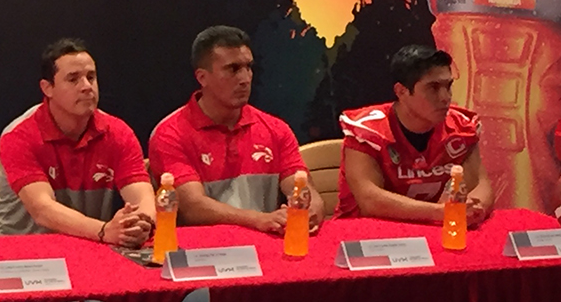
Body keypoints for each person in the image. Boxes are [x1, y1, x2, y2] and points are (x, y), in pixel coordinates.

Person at [149, 25, 324, 233]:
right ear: (202, 77)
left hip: (267, 242)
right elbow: (192, 207)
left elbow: (302, 187)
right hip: (203, 248)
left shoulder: (276, 129)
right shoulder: (170, 134)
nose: (245, 79)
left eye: (248, 67)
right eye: (233, 69)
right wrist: (259, 220)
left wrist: (311, 208)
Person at [0, 37, 155, 245]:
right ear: (47, 88)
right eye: (73, 79)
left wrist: (142, 223)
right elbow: (43, 210)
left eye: (91, 77)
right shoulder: (18, 135)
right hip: (20, 250)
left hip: (88, 244)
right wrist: (104, 231)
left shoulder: (118, 132)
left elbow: (142, 195)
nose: (86, 86)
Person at [337, 44, 494, 224]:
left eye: (448, 86)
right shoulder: (366, 130)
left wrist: (476, 208)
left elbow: (481, 185)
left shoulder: (463, 127)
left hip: (437, 229)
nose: (445, 97)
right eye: (433, 88)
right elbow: (369, 201)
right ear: (401, 91)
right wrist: (441, 212)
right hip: (367, 232)